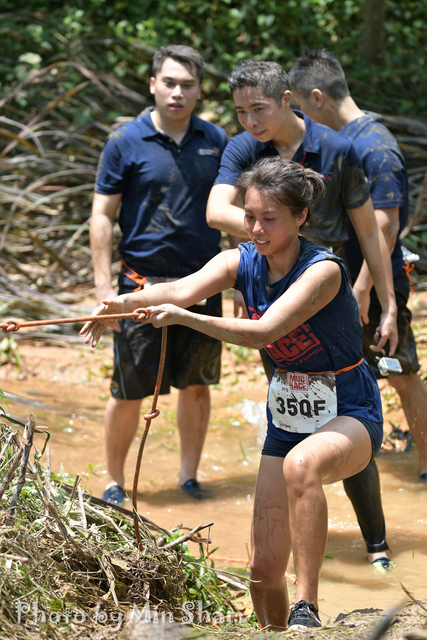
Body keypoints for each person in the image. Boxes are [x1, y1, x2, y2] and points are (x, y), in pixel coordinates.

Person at [81, 157, 384, 631]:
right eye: (249, 216)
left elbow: (263, 333)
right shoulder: (239, 261)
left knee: (302, 465)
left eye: (270, 218)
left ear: (301, 217)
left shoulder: (323, 271)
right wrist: (119, 303)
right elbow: (179, 290)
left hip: (350, 409)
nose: (256, 229)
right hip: (288, 417)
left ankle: (306, 608)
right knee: (262, 573)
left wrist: (186, 319)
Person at [205, 59, 397, 568]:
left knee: (349, 412)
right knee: (291, 405)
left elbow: (368, 229)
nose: (250, 121)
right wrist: (265, 237)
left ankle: (376, 543)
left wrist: (384, 299)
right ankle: (295, 539)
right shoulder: (245, 148)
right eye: (240, 112)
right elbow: (215, 211)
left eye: (259, 109)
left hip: (331, 293)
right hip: (272, 292)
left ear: (287, 99)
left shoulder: (337, 147)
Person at [288, 47, 427, 558]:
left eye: (301, 107)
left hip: (369, 283)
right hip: (347, 284)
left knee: (401, 370)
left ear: (318, 98)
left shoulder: (375, 146)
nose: (301, 119)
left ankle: (425, 468)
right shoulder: (345, 141)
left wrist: (365, 290)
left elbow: (385, 227)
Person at [90, 44, 229, 504]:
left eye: (188, 85)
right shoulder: (124, 141)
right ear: (153, 84)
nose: (177, 93)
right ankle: (114, 483)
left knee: (197, 385)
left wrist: (245, 281)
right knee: (129, 389)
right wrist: (105, 289)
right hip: (140, 285)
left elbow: (235, 212)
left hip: (204, 281)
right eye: (169, 83)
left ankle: (189, 477)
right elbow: (102, 215)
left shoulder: (217, 140)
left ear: (200, 90)